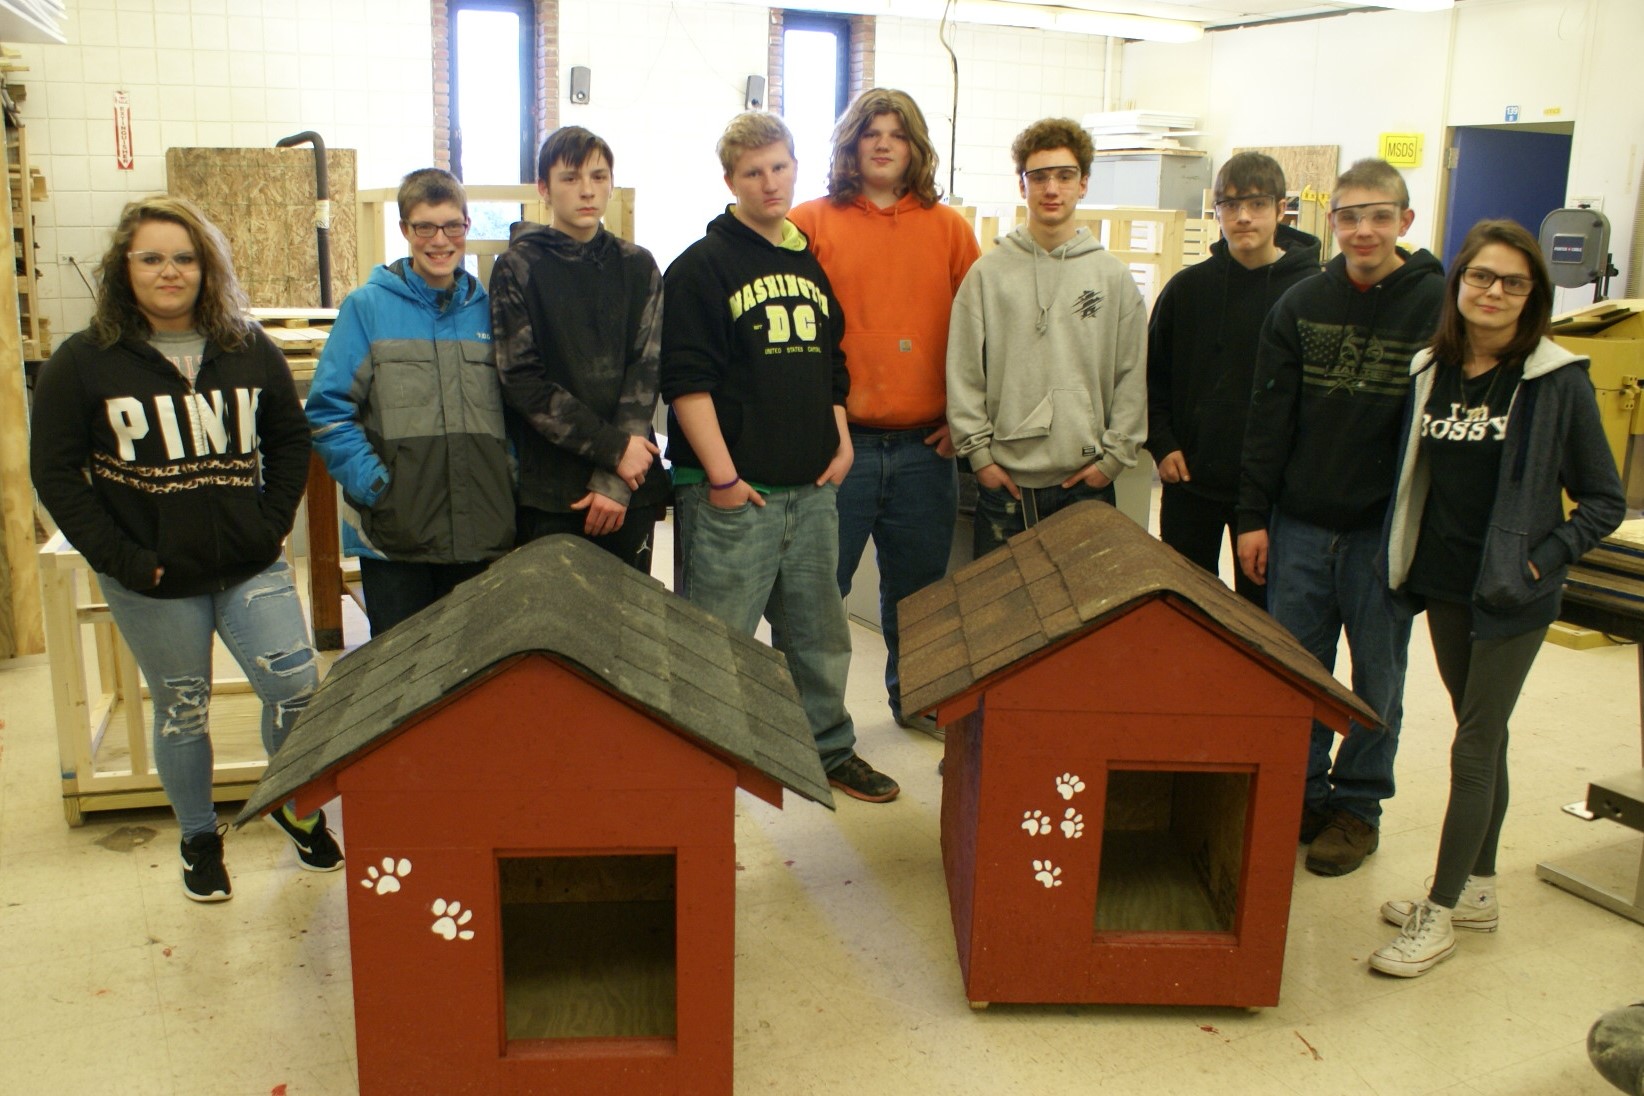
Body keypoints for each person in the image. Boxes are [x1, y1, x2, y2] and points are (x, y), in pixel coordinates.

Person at [30, 195, 342, 901]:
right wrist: (124, 558)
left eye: (185, 258)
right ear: (124, 267)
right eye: (152, 258)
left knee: (296, 692)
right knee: (184, 709)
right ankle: (200, 838)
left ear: (206, 269)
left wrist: (269, 526)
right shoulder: (85, 362)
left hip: (248, 562)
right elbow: (54, 473)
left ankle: (296, 809)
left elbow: (290, 440)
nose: (169, 272)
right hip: (153, 577)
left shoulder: (245, 344)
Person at [1370, 221, 1623, 976]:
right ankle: (1479, 889)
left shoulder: (1556, 380)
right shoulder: (1431, 369)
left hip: (1514, 594)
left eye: (1514, 283)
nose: (1495, 293)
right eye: (1482, 277)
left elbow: (1604, 500)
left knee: (1474, 745)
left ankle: (1440, 911)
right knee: (1488, 732)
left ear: (1534, 297)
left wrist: (1546, 564)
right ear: (1458, 285)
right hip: (1446, 585)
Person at [661, 111, 899, 803]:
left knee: (820, 636)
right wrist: (724, 478)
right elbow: (686, 384)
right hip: (737, 498)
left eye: (780, 167)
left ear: (796, 165)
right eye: (753, 173)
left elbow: (830, 366)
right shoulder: (702, 267)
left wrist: (841, 439)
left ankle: (826, 748)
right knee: (717, 639)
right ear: (730, 181)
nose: (770, 183)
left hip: (812, 491)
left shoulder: (805, 261)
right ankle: (702, 761)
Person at [1235, 158, 1445, 876]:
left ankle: (1357, 807)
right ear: (1330, 223)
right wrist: (1251, 518)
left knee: (1376, 680)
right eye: (1350, 216)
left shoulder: (1435, 306)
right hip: (1299, 528)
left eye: (1379, 216)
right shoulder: (1298, 305)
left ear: (1405, 223)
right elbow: (1267, 421)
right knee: (1298, 671)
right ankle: (1301, 794)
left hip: (1383, 535)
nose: (1364, 230)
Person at [788, 89, 979, 729]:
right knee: (819, 595)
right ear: (850, 143)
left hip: (928, 447)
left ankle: (917, 702)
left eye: (896, 133)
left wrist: (963, 417)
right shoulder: (809, 223)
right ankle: (814, 725)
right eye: (870, 132)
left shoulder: (949, 229)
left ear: (915, 146)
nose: (882, 143)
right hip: (840, 446)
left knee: (921, 595)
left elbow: (979, 332)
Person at [306, 168, 513, 636]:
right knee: (402, 681)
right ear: (405, 230)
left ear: (467, 226)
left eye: (452, 226)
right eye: (425, 227)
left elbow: (516, 409)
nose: (439, 241)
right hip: (396, 537)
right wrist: (377, 487)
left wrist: (509, 478)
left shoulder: (492, 310)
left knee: (473, 674)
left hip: (482, 530)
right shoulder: (368, 308)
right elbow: (327, 412)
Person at [946, 117, 1147, 559]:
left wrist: (1112, 461)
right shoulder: (988, 274)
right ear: (1022, 186)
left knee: (1085, 622)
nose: (1051, 188)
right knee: (1004, 620)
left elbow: (1131, 374)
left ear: (1084, 184)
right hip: (1006, 488)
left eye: (1064, 175)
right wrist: (979, 457)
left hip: (1085, 483)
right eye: (1038, 177)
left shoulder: (1111, 278)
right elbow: (963, 371)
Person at [1146, 152, 1319, 606]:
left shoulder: (1308, 296)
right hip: (1191, 483)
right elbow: (1151, 377)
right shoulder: (1186, 291)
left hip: (1270, 496)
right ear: (1216, 212)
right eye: (1229, 205)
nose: (1243, 217)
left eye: (1258, 204)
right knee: (1185, 611)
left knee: (1264, 622)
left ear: (1282, 210)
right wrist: (1162, 443)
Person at [492, 126, 668, 570]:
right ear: (543, 189)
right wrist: (613, 449)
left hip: (627, 485)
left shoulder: (638, 265)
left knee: (625, 629)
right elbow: (523, 383)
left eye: (598, 175)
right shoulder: (518, 267)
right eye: (570, 178)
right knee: (554, 631)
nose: (587, 190)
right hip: (553, 491)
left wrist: (615, 479)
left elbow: (645, 373)